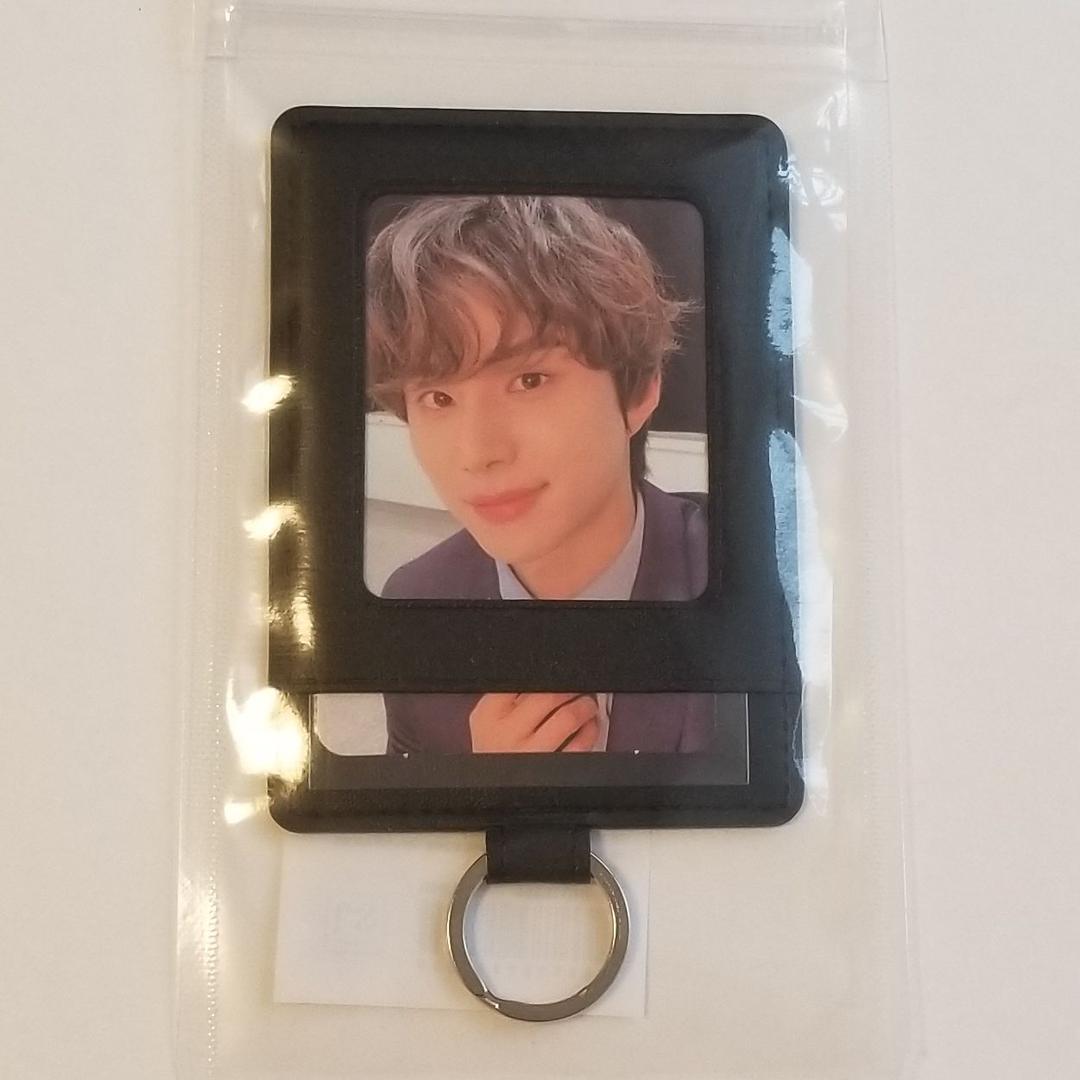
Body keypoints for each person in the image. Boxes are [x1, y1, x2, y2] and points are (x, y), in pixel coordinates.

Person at [366, 195, 722, 755]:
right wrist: (479, 788)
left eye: (529, 381)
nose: (478, 453)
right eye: (438, 397)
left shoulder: (748, 573)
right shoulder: (412, 605)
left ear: (638, 391)